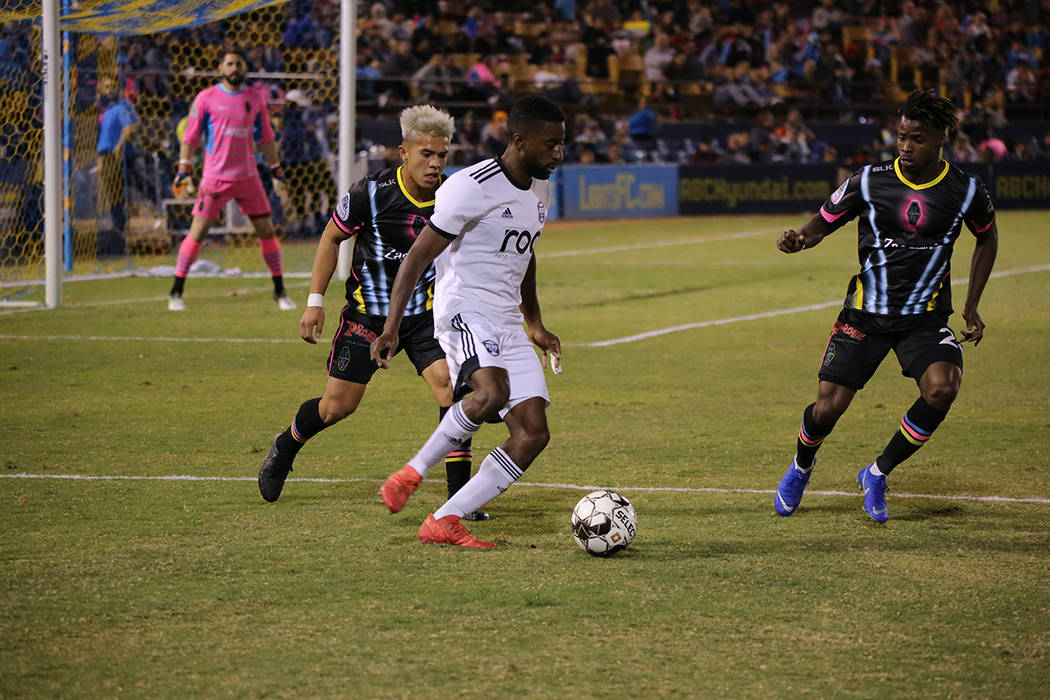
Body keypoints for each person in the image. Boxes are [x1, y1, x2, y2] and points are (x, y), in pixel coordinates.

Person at [772, 89, 998, 523]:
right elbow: (823, 222)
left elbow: (987, 235)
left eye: (916, 138)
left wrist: (971, 305)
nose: (906, 146)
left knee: (942, 388)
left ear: (939, 139)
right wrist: (800, 239)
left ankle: (877, 472)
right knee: (828, 408)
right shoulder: (869, 180)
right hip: (865, 315)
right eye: (901, 137)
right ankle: (801, 465)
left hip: (924, 319)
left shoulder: (965, 189)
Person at [258, 105, 482, 518]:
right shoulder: (372, 193)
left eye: (442, 155)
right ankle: (287, 444)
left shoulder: (453, 197)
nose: (435, 163)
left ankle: (459, 500)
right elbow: (330, 239)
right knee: (337, 407)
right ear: (403, 152)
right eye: (426, 154)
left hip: (424, 318)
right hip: (367, 319)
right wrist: (314, 303)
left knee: (453, 393)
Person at [370, 95, 566, 549]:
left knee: (533, 432)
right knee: (491, 392)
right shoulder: (471, 186)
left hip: (505, 320)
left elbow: (525, 253)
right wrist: (391, 326)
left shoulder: (541, 188)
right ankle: (412, 473)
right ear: (519, 141)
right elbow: (417, 257)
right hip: (463, 308)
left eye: (562, 143)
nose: (560, 153)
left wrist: (534, 324)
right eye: (551, 144)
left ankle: (445, 518)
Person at [168, 48, 295, 311]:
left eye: (239, 63)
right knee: (199, 231)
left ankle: (280, 291)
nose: (234, 67)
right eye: (229, 63)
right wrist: (183, 170)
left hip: (248, 178)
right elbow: (190, 137)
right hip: (215, 178)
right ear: (220, 68)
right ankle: (176, 292)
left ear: (244, 67)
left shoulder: (256, 98)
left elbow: (267, 138)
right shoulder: (206, 98)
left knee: (267, 231)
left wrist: (277, 172)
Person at [96, 77, 138, 256]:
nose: (110, 89)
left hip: (115, 156)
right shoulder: (107, 110)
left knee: (117, 195)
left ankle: (121, 233)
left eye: (113, 86)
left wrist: (118, 148)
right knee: (112, 197)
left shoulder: (123, 106)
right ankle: (118, 233)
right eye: (107, 87)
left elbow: (129, 128)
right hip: (104, 156)